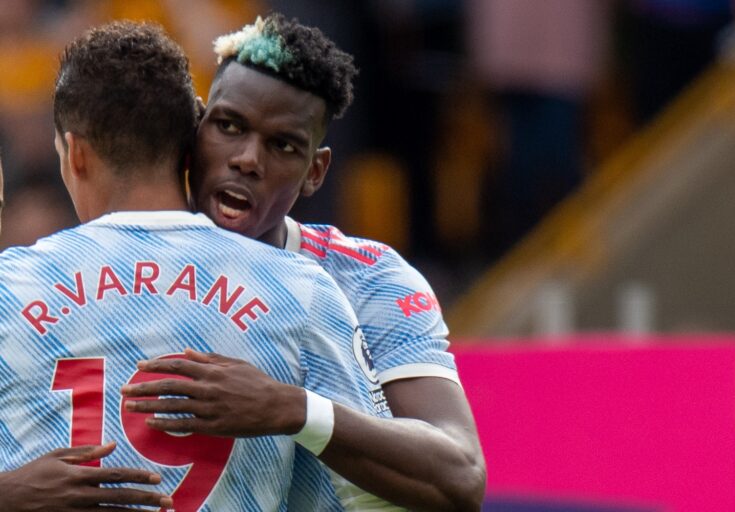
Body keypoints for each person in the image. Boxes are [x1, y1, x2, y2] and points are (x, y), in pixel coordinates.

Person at [0, 20, 396, 511]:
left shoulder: (10, 287)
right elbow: (380, 499)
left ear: (75, 154)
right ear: (189, 147)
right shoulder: (302, 290)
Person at [121, 14, 486, 511]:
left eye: (283, 145)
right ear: (195, 132)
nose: (248, 159)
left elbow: (461, 475)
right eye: (229, 126)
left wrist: (291, 408)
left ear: (315, 171)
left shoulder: (370, 280)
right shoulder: (119, 269)